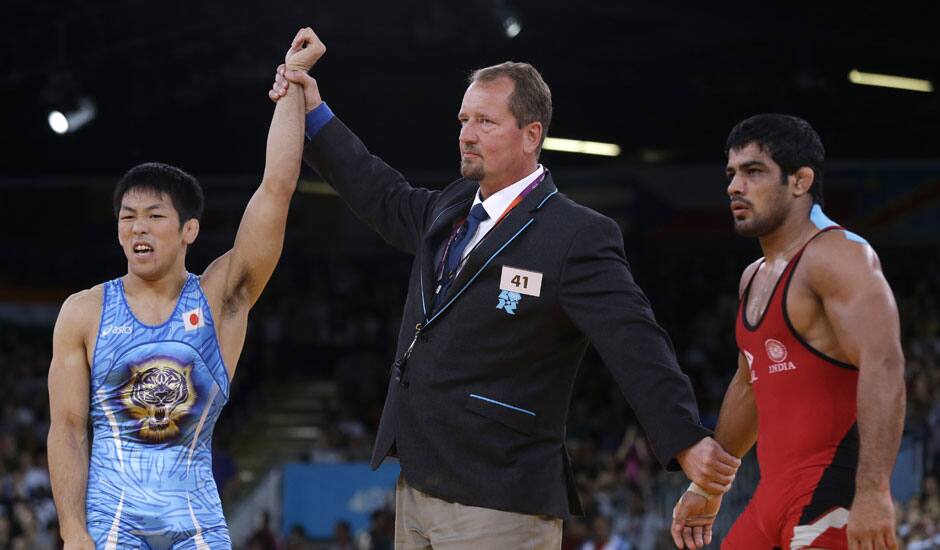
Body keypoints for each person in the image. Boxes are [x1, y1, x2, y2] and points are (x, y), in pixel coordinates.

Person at [270, 28, 739, 548]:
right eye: (463, 121)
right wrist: (313, 110)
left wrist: (684, 438)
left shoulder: (575, 235)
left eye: (485, 122)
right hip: (419, 481)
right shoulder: (452, 206)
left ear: (531, 134)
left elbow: (635, 341)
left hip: (500, 495)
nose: (466, 134)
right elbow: (380, 192)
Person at [46, 28, 324, 550]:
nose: (138, 229)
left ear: (188, 230)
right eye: (128, 218)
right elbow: (67, 429)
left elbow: (277, 189)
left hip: (195, 522)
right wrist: (71, 529)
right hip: (110, 523)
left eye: (154, 216)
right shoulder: (82, 312)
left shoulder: (222, 296)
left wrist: (292, 82)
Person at [670, 114, 906, 550]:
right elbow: (747, 387)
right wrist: (708, 488)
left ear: (800, 181)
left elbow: (886, 364)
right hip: (770, 500)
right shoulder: (753, 276)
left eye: (753, 171)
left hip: (833, 497)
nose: (734, 187)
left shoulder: (839, 256)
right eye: (732, 173)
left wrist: (874, 490)